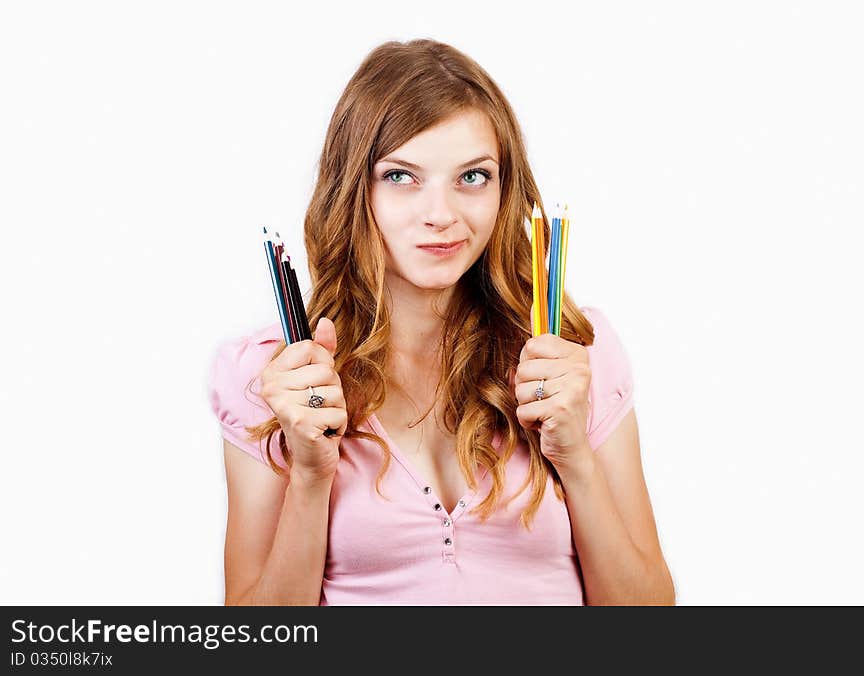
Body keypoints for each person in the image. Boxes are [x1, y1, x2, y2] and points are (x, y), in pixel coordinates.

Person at [207, 39, 674, 606]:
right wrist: (310, 475)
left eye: (472, 177)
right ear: (356, 190)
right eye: (403, 177)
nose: (441, 215)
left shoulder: (577, 355)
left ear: (505, 190)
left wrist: (573, 453)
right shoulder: (270, 375)